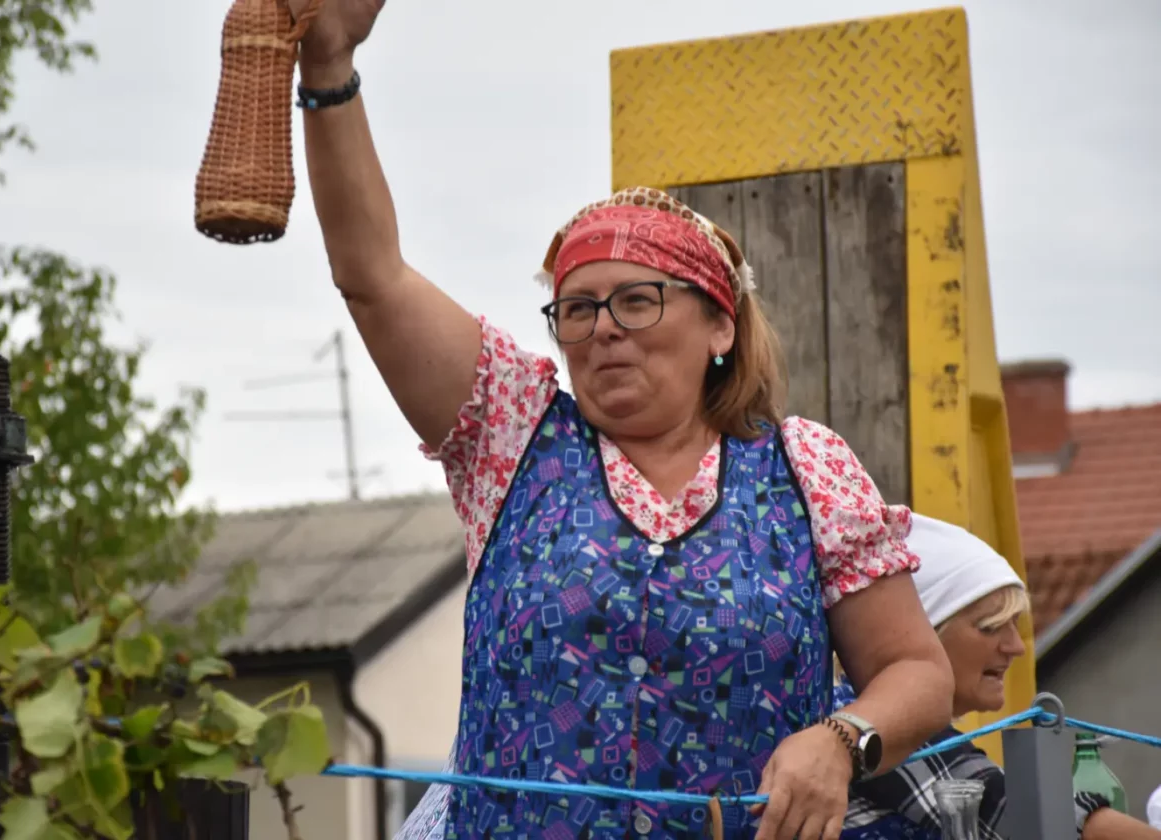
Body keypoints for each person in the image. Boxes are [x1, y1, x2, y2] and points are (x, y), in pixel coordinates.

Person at [283, 2, 955, 838]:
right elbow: (373, 276)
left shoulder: (803, 468)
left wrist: (841, 739)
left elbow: (916, 670)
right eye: (577, 308)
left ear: (720, 327)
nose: (603, 328)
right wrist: (328, 70)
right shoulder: (511, 436)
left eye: (638, 301)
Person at [836, 513, 1161, 839]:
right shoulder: (873, 722)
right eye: (990, 627)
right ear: (922, 637)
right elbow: (1015, 817)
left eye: (1015, 626)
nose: (1016, 647)